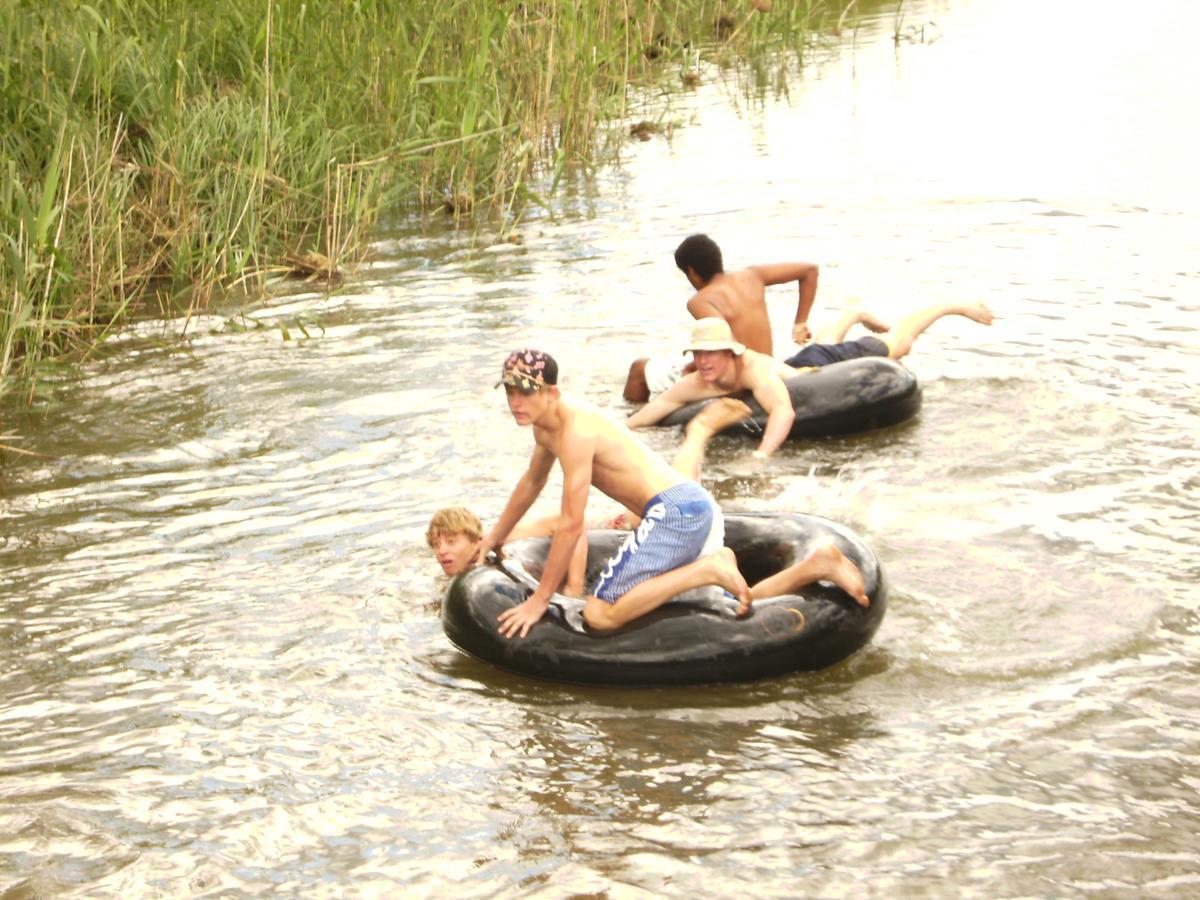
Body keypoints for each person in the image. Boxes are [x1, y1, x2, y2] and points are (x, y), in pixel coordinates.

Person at [623, 233, 818, 402]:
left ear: (691, 272)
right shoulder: (752, 275)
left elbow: (725, 347)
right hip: (766, 366)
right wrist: (800, 322)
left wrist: (689, 370)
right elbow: (809, 270)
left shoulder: (700, 301)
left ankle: (636, 427)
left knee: (639, 369)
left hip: (742, 377)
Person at [627, 318, 799, 459]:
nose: (702, 361)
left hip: (800, 379)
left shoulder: (753, 369)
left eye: (710, 353)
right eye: (698, 353)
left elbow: (783, 410)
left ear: (728, 352)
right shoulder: (696, 383)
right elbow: (652, 410)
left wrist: (761, 454)